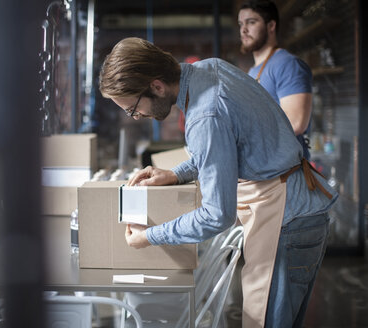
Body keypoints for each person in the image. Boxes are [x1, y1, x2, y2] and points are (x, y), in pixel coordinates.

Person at [98, 37, 337, 328]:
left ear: (157, 86)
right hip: (297, 209)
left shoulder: (204, 115)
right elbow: (226, 147)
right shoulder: (210, 69)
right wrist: (176, 173)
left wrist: (150, 236)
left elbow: (216, 215)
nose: (137, 117)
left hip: (287, 220)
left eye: (132, 109)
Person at [238, 0, 313, 159]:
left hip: (286, 175)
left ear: (271, 26)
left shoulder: (288, 65)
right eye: (240, 24)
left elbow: (296, 122)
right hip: (262, 171)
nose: (243, 30)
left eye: (251, 22)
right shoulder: (253, 71)